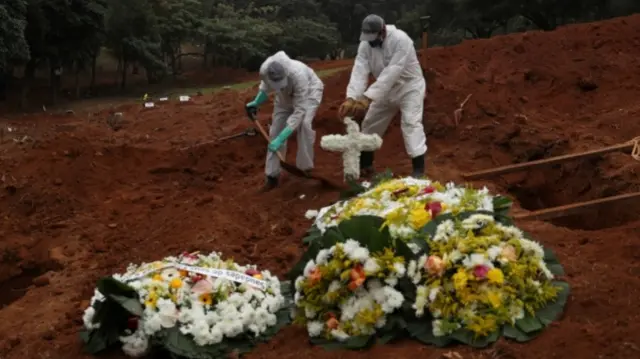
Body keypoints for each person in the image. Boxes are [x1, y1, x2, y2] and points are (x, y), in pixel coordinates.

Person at [338, 14, 427, 178]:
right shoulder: (365, 44)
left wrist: (367, 98)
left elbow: (393, 71)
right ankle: (366, 165)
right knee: (370, 123)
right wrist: (351, 97)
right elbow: (360, 70)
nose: (371, 42)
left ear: (383, 31)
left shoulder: (401, 40)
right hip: (384, 89)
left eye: (374, 38)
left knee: (410, 123)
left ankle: (418, 169)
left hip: (409, 86)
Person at [245, 51, 324, 191]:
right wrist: (256, 102)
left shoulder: (298, 76)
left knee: (304, 125)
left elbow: (299, 111)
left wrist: (282, 137)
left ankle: (305, 168)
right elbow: (265, 88)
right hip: (283, 98)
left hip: (310, 92)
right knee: (274, 131)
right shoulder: (264, 70)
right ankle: (272, 177)